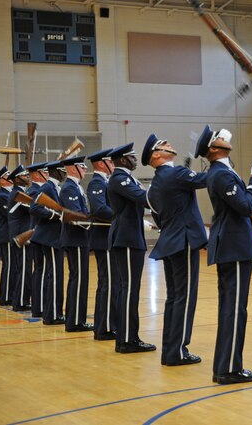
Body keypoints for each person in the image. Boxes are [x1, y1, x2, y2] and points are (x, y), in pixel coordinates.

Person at [195, 125, 252, 384]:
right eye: (220, 139)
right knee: (234, 310)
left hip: (234, 246)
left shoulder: (222, 171)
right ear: (213, 150)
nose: (226, 138)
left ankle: (226, 366)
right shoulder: (221, 175)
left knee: (233, 308)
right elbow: (246, 207)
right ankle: (228, 369)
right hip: (233, 247)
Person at [142, 134, 208, 365]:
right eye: (163, 145)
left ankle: (172, 350)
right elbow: (206, 180)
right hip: (184, 241)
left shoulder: (157, 183)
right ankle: (177, 351)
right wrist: (217, 159)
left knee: (175, 298)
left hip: (171, 241)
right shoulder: (175, 173)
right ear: (157, 156)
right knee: (185, 298)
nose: (170, 144)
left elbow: (159, 217)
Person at [107, 143, 155, 354]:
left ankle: (129, 336)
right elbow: (143, 198)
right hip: (126, 238)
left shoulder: (126, 179)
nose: (136, 160)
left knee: (130, 289)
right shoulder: (120, 178)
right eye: (133, 157)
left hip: (130, 236)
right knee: (128, 290)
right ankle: (126, 340)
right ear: (124, 160)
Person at [87, 149, 117, 341]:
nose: (113, 165)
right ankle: (103, 327)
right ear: (101, 164)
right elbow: (99, 209)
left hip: (108, 238)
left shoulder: (105, 182)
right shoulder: (97, 183)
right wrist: (122, 216)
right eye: (110, 162)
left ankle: (106, 324)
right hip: (103, 239)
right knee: (107, 283)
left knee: (110, 283)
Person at [60, 156, 93, 332]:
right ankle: (74, 321)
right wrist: (93, 219)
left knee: (79, 279)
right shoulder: (69, 188)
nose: (85, 169)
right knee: (78, 280)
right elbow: (77, 215)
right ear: (73, 169)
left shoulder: (76, 187)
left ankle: (77, 319)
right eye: (82, 166)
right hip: (76, 238)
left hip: (79, 239)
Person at [30, 161, 65, 322]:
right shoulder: (47, 187)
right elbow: (35, 208)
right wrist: (55, 215)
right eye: (62, 170)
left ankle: (49, 311)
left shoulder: (54, 187)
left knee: (52, 274)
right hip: (50, 237)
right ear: (55, 172)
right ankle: (52, 314)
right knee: (54, 275)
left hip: (53, 236)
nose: (65, 173)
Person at [8, 165, 34, 312]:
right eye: (24, 175)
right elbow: (33, 207)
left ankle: (21, 300)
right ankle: (21, 302)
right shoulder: (17, 193)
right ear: (17, 179)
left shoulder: (19, 192)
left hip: (21, 234)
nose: (27, 177)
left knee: (22, 269)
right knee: (24, 270)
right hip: (21, 236)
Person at [26, 162, 48, 317]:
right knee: (40, 270)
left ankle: (40, 304)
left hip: (39, 234)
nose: (47, 174)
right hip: (39, 234)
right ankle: (38, 306)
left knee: (41, 270)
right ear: (36, 175)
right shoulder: (35, 191)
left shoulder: (36, 190)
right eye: (43, 172)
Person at [0, 167, 13, 306]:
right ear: (1, 180)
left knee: (12, 266)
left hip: (9, 234)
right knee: (9, 265)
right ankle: (5, 296)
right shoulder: (2, 196)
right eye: (7, 176)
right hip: (5, 234)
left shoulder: (8, 194)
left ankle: (10, 295)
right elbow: (10, 215)